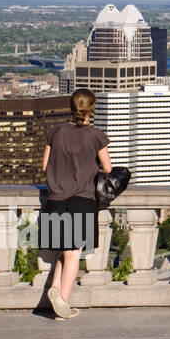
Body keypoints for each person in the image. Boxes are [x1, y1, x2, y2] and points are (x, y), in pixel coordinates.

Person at [40, 88, 111, 321]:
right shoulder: (96, 135)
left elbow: (44, 166)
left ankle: (56, 289)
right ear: (92, 108)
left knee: (62, 251)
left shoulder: (55, 132)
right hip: (81, 199)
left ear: (71, 107)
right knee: (73, 254)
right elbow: (108, 168)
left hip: (54, 199)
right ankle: (65, 305)